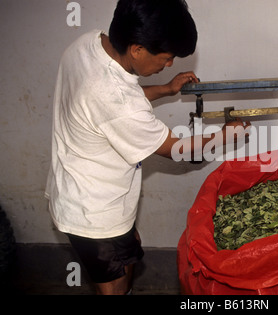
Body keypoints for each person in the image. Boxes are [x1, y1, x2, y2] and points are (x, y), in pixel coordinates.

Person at [45, 0, 249, 295]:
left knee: (131, 252)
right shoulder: (115, 99)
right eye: (166, 58)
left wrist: (165, 88)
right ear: (137, 49)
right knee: (112, 285)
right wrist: (225, 136)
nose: (168, 65)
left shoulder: (88, 44)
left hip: (92, 191)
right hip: (93, 214)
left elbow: (116, 95)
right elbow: (175, 148)